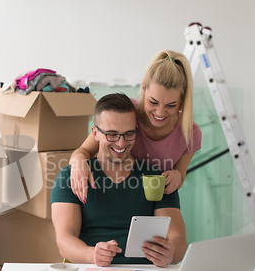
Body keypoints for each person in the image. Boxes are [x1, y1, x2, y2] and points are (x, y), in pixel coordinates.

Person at [50, 93, 187, 267]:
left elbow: (179, 240)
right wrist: (92, 254)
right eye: (112, 135)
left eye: (128, 134)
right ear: (95, 133)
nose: (121, 144)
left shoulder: (157, 179)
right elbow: (64, 240)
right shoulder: (70, 177)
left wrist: (170, 253)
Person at [70, 50, 202, 203]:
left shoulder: (190, 133)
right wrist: (78, 162)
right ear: (144, 89)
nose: (160, 112)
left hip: (148, 205)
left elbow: (180, 175)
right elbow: (83, 151)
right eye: (153, 102)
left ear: (182, 100)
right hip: (106, 195)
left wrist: (177, 177)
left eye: (171, 105)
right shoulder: (126, 113)